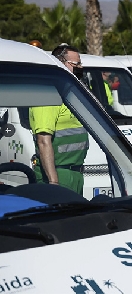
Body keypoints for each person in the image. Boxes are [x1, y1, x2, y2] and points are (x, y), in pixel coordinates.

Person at [29, 43, 89, 195]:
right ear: (59, 63)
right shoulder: (47, 95)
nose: (80, 68)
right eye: (76, 64)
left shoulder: (68, 94)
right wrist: (54, 182)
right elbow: (43, 141)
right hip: (58, 175)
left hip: (74, 174)